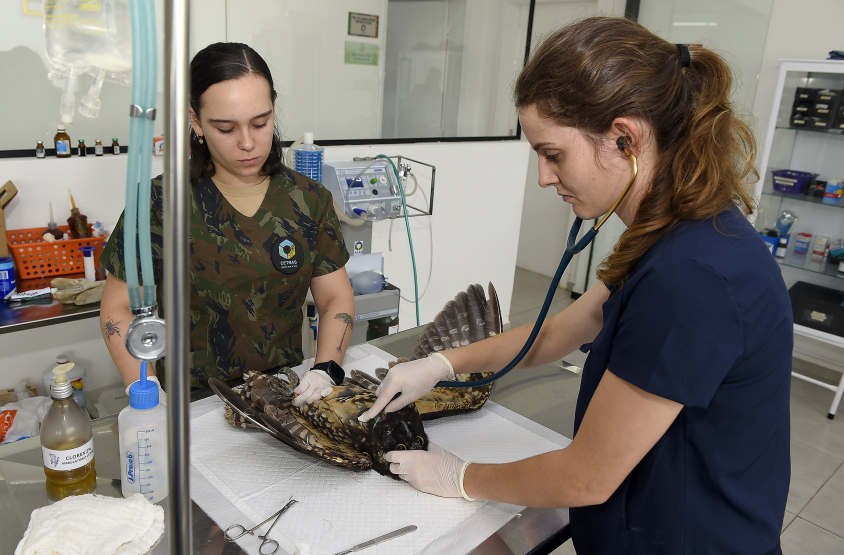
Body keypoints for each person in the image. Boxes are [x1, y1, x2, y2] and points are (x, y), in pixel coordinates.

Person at [361, 17, 792, 554]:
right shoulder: (673, 234)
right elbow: (557, 333)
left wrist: (461, 478)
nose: (543, 177)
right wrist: (442, 365)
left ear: (625, 138)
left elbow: (588, 476)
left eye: (553, 153)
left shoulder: (693, 279)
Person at [99, 42, 354, 405]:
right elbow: (118, 307)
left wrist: (327, 368)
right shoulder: (159, 203)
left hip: (283, 395)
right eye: (225, 128)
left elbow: (335, 297)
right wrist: (144, 388)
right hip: (191, 401)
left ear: (273, 110)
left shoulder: (308, 200)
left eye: (261, 123)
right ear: (195, 121)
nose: (248, 143)